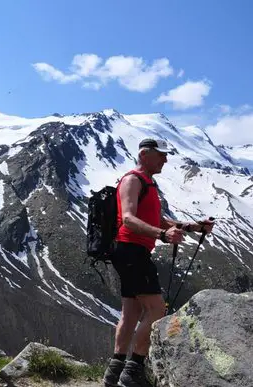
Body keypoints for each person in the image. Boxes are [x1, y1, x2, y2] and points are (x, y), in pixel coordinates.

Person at [103, 138, 214, 387]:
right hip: (131, 251)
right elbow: (129, 219)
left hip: (131, 252)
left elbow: (157, 218)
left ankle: (114, 372)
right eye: (161, 155)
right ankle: (133, 372)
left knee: (131, 312)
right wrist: (162, 236)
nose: (166, 159)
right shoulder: (133, 180)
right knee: (156, 309)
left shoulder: (148, 184)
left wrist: (192, 226)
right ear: (145, 155)